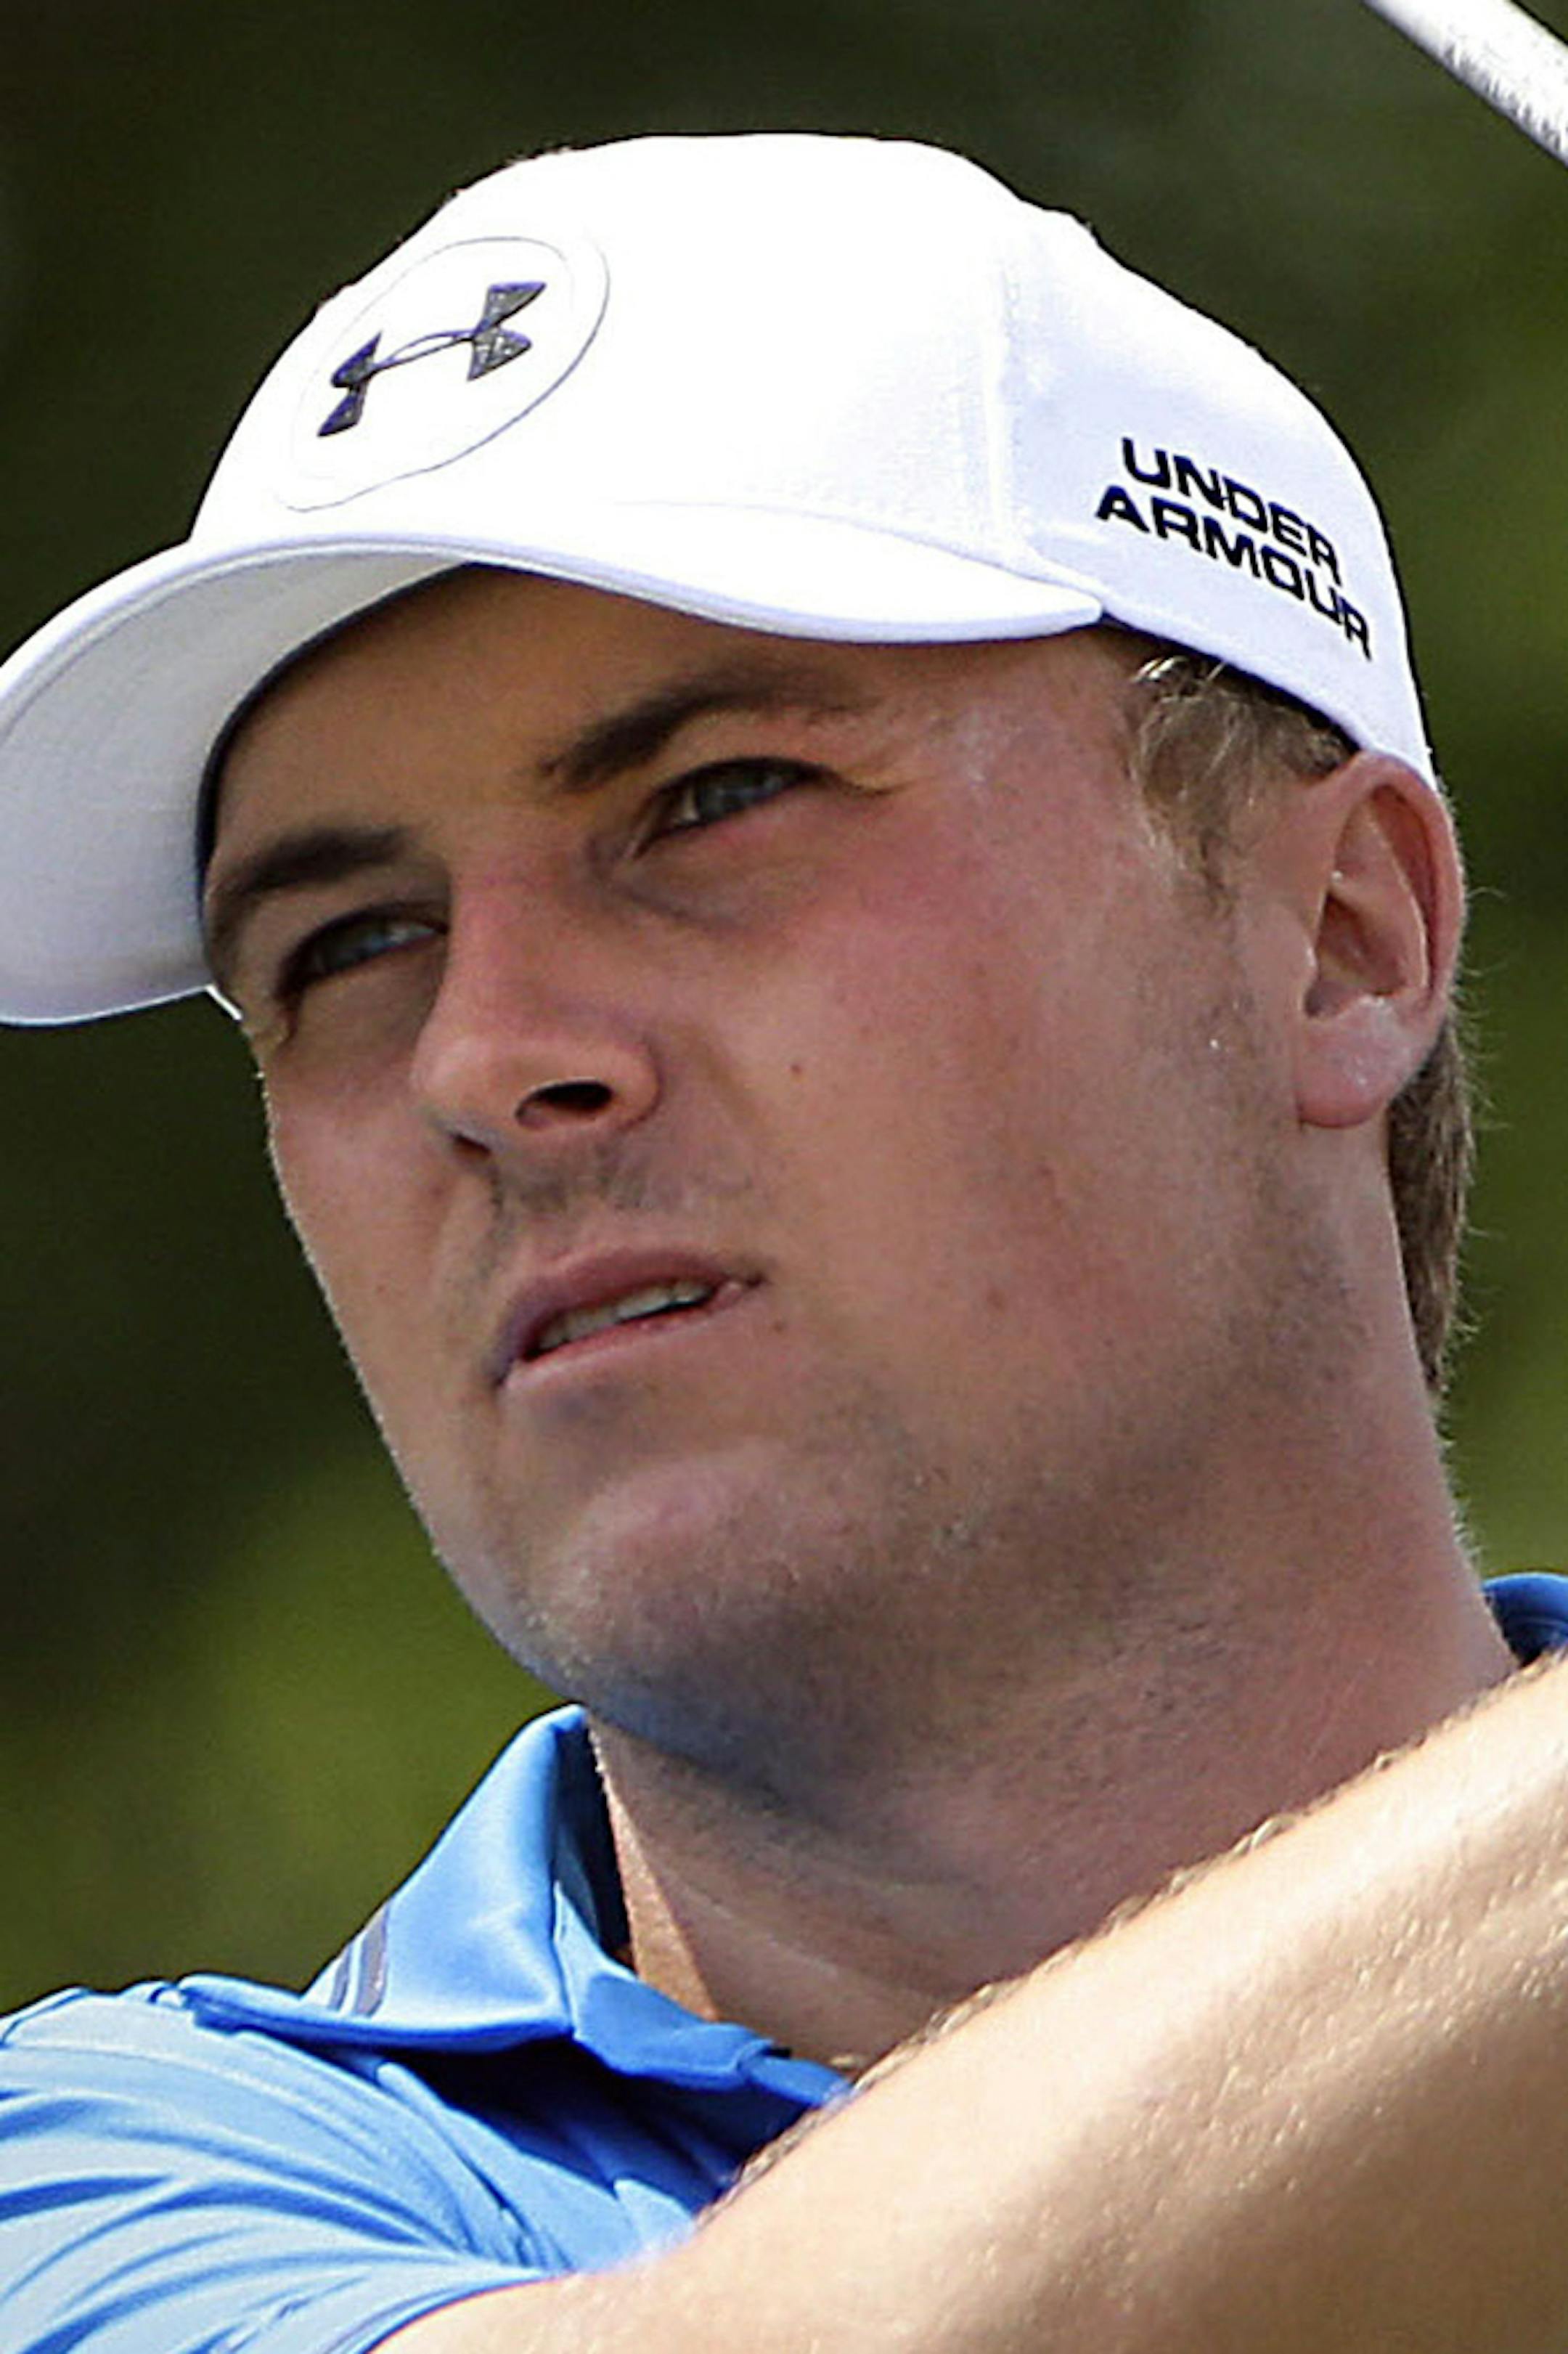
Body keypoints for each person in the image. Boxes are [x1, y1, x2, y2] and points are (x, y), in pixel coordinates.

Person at [1, 126, 1567, 2354]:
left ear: (1337, 938)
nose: (487, 1053)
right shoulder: (107, 2185)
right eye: (345, 942)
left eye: (714, 800)